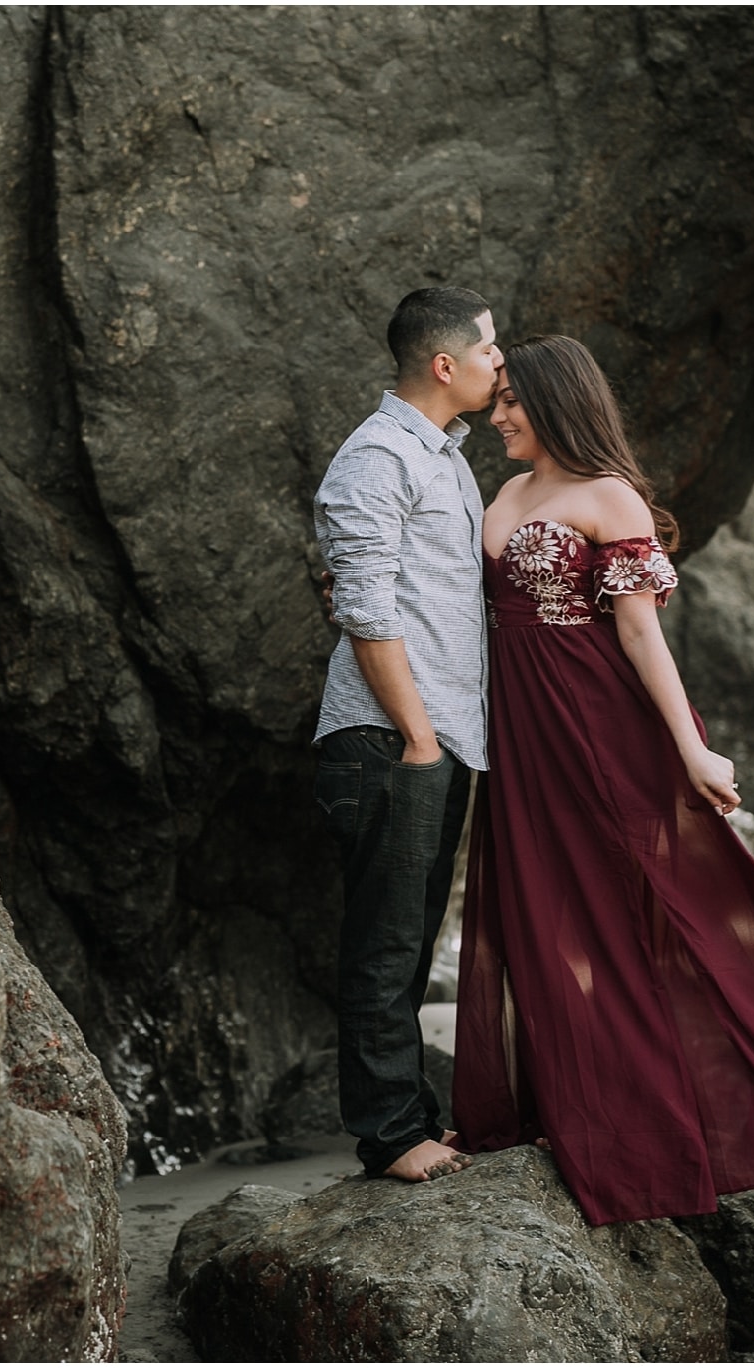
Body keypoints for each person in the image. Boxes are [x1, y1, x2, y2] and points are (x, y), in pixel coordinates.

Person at [452, 334, 754, 1225]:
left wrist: (690, 747)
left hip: (600, 723)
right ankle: (578, 1109)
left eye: (509, 403)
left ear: (555, 400)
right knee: (545, 911)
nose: (496, 419)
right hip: (521, 734)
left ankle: (746, 1102)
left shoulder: (611, 497)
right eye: (493, 402)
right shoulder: (502, 494)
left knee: (656, 900)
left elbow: (643, 634)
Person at [312, 287, 501, 1183]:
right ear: (444, 364)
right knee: (385, 943)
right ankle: (390, 1135)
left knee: (413, 937)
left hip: (435, 738)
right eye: (490, 350)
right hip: (392, 740)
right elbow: (364, 607)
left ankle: (411, 1117)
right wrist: (419, 736)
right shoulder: (378, 455)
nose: (500, 364)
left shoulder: (444, 458)